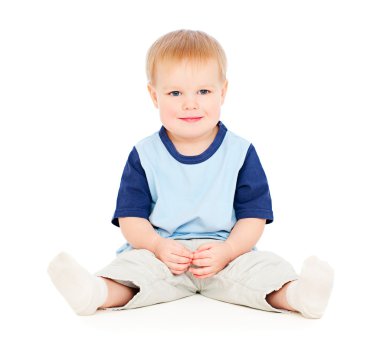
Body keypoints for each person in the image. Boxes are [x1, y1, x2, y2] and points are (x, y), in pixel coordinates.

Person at [48, 29, 334, 319]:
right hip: (162, 256)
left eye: (204, 91)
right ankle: (94, 293)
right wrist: (157, 245)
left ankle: (300, 295)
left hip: (226, 254)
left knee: (264, 269)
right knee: (132, 270)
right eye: (175, 93)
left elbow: (253, 217)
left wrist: (229, 250)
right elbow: (130, 218)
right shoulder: (145, 155)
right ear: (154, 95)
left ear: (222, 92)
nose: (190, 103)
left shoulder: (240, 153)